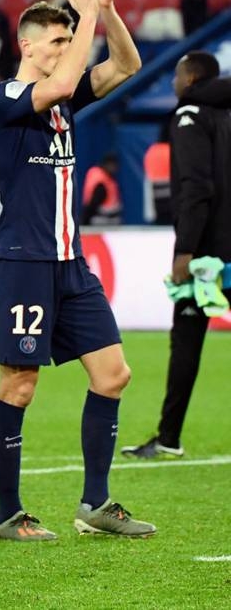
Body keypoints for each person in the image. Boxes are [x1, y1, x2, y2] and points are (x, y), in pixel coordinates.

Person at [0, 0, 155, 541]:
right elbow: (60, 81)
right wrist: (82, 19)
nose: (65, 46)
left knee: (113, 375)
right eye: (55, 39)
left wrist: (104, 12)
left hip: (70, 265)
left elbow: (128, 63)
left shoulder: (64, 104)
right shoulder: (4, 99)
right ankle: (9, 514)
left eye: (67, 37)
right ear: (27, 45)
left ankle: (96, 503)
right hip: (22, 265)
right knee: (19, 385)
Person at [122, 52, 231, 459]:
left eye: (176, 74)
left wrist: (185, 249)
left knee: (185, 343)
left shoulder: (189, 115)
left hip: (208, 257)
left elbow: (195, 187)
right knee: (184, 339)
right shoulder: (225, 115)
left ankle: (169, 437)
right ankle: (168, 437)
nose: (171, 81)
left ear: (191, 77)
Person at [80, 153, 121, 225]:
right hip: (100, 223)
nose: (115, 168)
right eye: (113, 165)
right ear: (106, 164)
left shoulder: (104, 177)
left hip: (103, 221)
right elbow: (93, 204)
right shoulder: (101, 183)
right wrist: (84, 222)